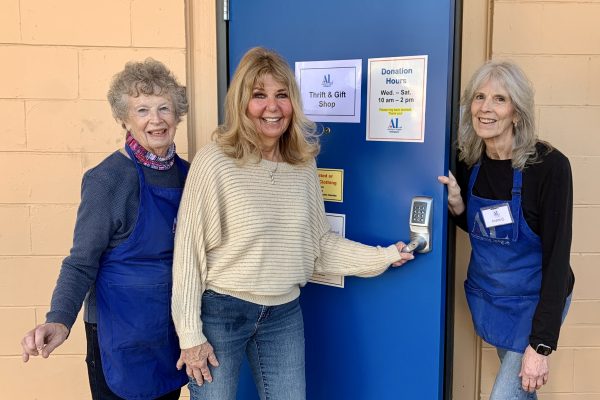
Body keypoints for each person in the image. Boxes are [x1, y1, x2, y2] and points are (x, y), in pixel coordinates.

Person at [171, 47, 415, 400]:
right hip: (223, 313)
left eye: (281, 95)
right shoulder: (215, 161)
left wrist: (382, 256)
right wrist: (190, 335)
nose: (272, 107)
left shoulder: (302, 165)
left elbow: (319, 246)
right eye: (259, 96)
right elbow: (188, 256)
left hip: (283, 315)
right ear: (242, 102)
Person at [20, 59, 190, 400]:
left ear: (178, 115)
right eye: (142, 109)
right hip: (118, 332)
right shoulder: (107, 180)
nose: (155, 120)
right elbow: (81, 262)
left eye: (164, 108)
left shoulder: (189, 175)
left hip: (169, 328)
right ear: (124, 118)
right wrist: (59, 319)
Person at [438, 60, 574, 399]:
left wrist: (541, 345)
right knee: (521, 392)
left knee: (506, 395)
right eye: (479, 97)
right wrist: (457, 206)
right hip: (494, 301)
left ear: (517, 112)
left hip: (535, 303)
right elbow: (483, 228)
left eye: (500, 99)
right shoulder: (468, 159)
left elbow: (557, 259)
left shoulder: (549, 167)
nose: (486, 107)